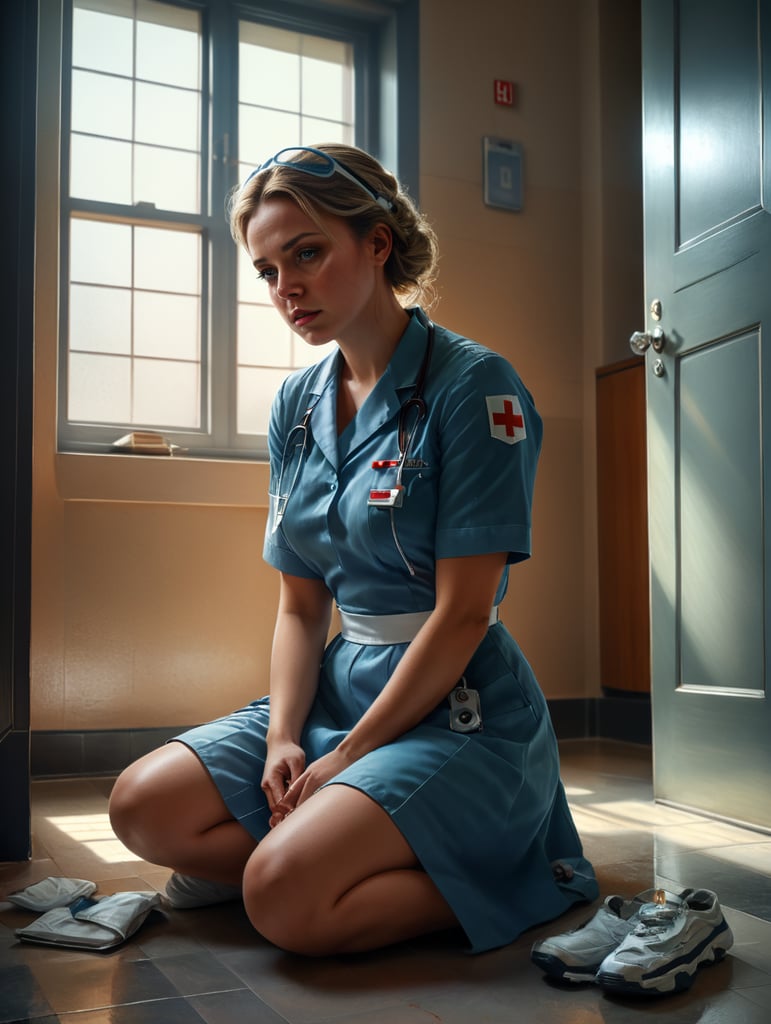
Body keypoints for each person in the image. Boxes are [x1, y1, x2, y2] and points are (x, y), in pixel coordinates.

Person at [108, 143, 597, 957]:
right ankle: (308, 864)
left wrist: (353, 758)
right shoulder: (296, 405)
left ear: (376, 244)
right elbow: (301, 605)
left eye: (307, 253)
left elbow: (466, 611)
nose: (285, 287)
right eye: (265, 269)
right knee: (140, 807)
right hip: (341, 686)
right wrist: (284, 739)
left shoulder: (477, 386)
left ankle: (527, 872)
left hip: (459, 710)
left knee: (281, 901)